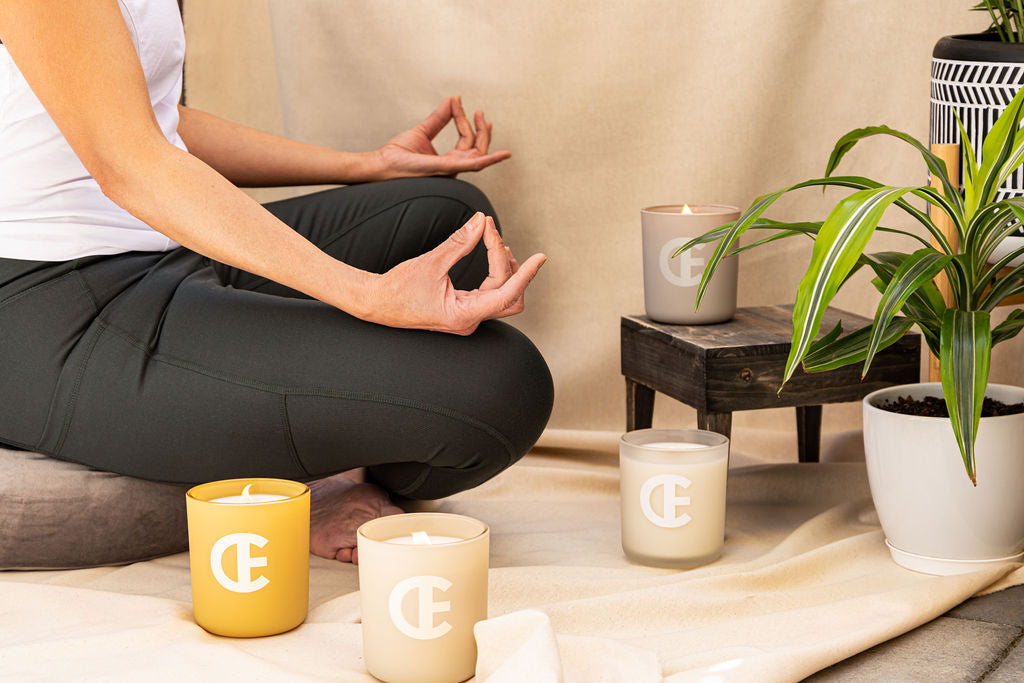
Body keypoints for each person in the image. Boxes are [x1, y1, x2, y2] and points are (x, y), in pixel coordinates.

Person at [0, 0, 553, 563]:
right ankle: (311, 486)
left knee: (447, 216)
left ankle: (326, 454)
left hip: (165, 250)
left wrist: (366, 165)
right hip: (53, 308)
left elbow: (155, 119)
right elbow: (129, 160)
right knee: (504, 388)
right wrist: (366, 296)